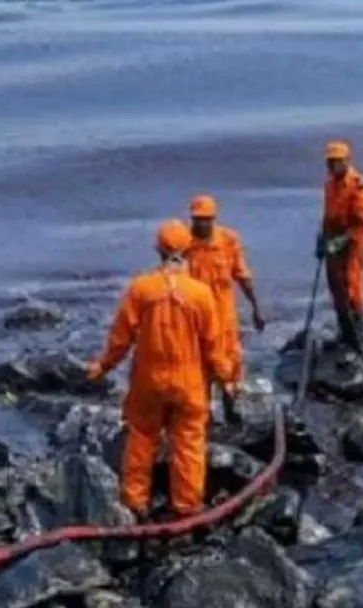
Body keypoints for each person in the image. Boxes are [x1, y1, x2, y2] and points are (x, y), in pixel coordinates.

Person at [85, 220, 235, 519]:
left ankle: (134, 502)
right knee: (189, 440)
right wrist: (225, 379)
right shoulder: (200, 294)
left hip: (148, 380)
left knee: (141, 436)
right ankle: (187, 506)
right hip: (189, 382)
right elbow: (214, 346)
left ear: (158, 250)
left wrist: (103, 366)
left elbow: (121, 338)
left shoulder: (141, 289)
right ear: (186, 250)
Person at [186, 194, 265, 424]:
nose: (202, 224)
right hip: (195, 320)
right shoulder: (184, 246)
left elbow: (243, 275)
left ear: (214, 218)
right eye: (198, 219)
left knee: (231, 365)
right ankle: (205, 414)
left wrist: (256, 307)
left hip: (224, 318)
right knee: (199, 368)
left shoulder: (228, 241)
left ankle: (232, 409)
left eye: (207, 219)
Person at [315, 140, 363, 355]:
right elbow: (327, 214)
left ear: (347, 161)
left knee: (352, 287)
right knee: (336, 287)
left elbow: (361, 222)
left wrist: (341, 241)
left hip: (352, 243)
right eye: (329, 161)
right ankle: (344, 334)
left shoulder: (359, 186)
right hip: (333, 242)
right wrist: (322, 238)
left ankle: (356, 336)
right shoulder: (330, 184)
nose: (332, 165)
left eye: (337, 161)